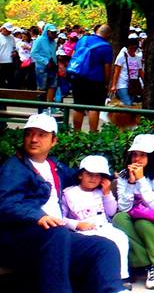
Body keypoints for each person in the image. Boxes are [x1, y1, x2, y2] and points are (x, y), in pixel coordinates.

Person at [0, 114, 125, 293]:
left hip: (55, 237)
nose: (34, 139)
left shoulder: (54, 166)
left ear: (53, 141)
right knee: (58, 233)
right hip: (22, 238)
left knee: (104, 247)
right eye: (29, 134)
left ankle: (113, 290)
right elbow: (5, 203)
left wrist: (107, 177)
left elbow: (79, 176)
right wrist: (38, 216)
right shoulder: (14, 167)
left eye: (41, 135)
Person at [114, 134, 154, 289]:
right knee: (119, 219)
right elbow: (124, 208)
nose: (137, 159)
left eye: (143, 155)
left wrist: (141, 180)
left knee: (142, 223)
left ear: (152, 156)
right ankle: (150, 267)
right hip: (135, 217)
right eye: (134, 154)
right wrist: (131, 183)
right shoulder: (125, 175)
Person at [62, 155, 131, 283]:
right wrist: (77, 224)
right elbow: (61, 217)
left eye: (97, 175)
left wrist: (107, 193)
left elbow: (111, 212)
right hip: (83, 231)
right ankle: (97, 278)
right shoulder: (68, 193)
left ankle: (121, 277)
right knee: (97, 247)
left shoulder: (101, 192)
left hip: (104, 227)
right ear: (80, 175)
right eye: (89, 174)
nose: (93, 178)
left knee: (120, 238)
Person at [70, 25, 115, 132]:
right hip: (96, 81)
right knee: (94, 108)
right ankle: (93, 134)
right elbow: (107, 67)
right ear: (108, 35)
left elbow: (73, 56)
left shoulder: (83, 39)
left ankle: (76, 134)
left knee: (78, 106)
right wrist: (106, 83)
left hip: (78, 77)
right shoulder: (106, 47)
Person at [111, 34, 144, 106]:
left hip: (133, 85)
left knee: (131, 103)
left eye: (135, 48)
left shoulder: (138, 58)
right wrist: (114, 85)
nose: (133, 50)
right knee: (128, 103)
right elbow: (116, 72)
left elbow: (140, 71)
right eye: (131, 48)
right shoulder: (122, 57)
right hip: (122, 84)